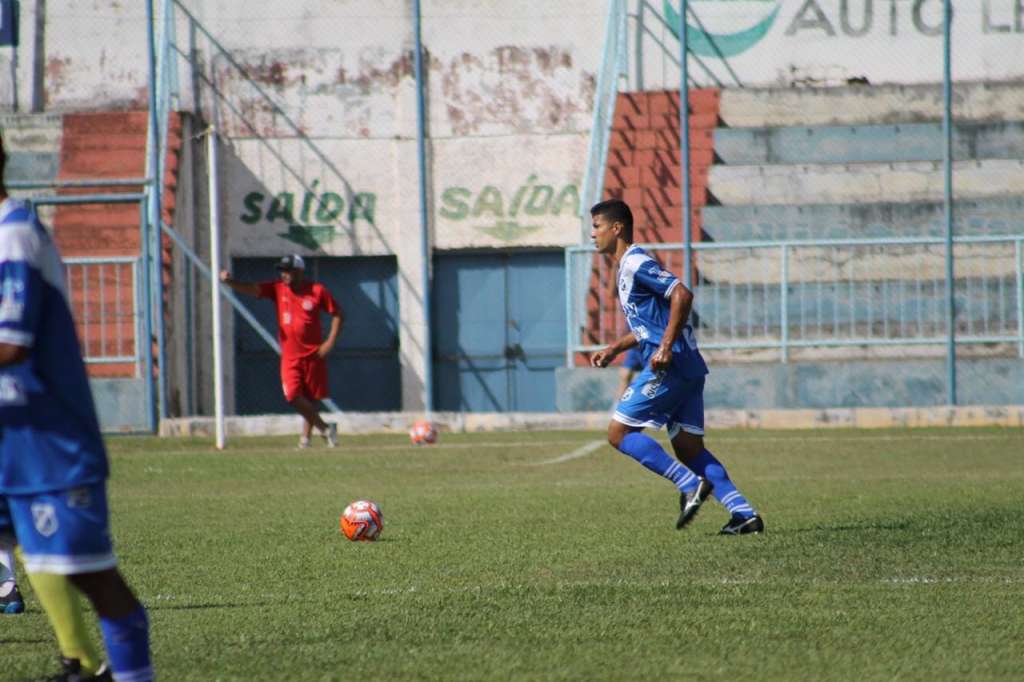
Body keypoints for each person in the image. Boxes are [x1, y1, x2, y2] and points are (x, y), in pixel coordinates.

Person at [0, 132, 151, 679]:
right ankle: (78, 661)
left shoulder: (14, 236)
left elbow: (13, 344)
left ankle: (124, 670)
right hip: (10, 437)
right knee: (35, 555)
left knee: (91, 574)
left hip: (50, 439)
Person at [588, 199, 764, 535]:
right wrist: (614, 347)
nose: (592, 234)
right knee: (688, 447)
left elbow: (681, 294)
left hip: (671, 364)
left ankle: (688, 484)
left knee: (619, 433)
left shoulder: (636, 262)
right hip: (687, 365)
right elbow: (649, 326)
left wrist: (666, 346)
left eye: (597, 226)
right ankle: (744, 514)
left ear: (616, 228)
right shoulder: (625, 267)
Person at [220, 255, 343, 448]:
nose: (284, 275)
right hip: (291, 356)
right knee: (293, 395)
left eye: (288, 270)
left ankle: (305, 440)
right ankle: (326, 429)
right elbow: (252, 289)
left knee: (310, 399)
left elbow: (338, 314)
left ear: (300, 272)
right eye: (282, 271)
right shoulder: (277, 289)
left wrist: (329, 342)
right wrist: (231, 282)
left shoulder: (317, 291)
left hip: (313, 354)